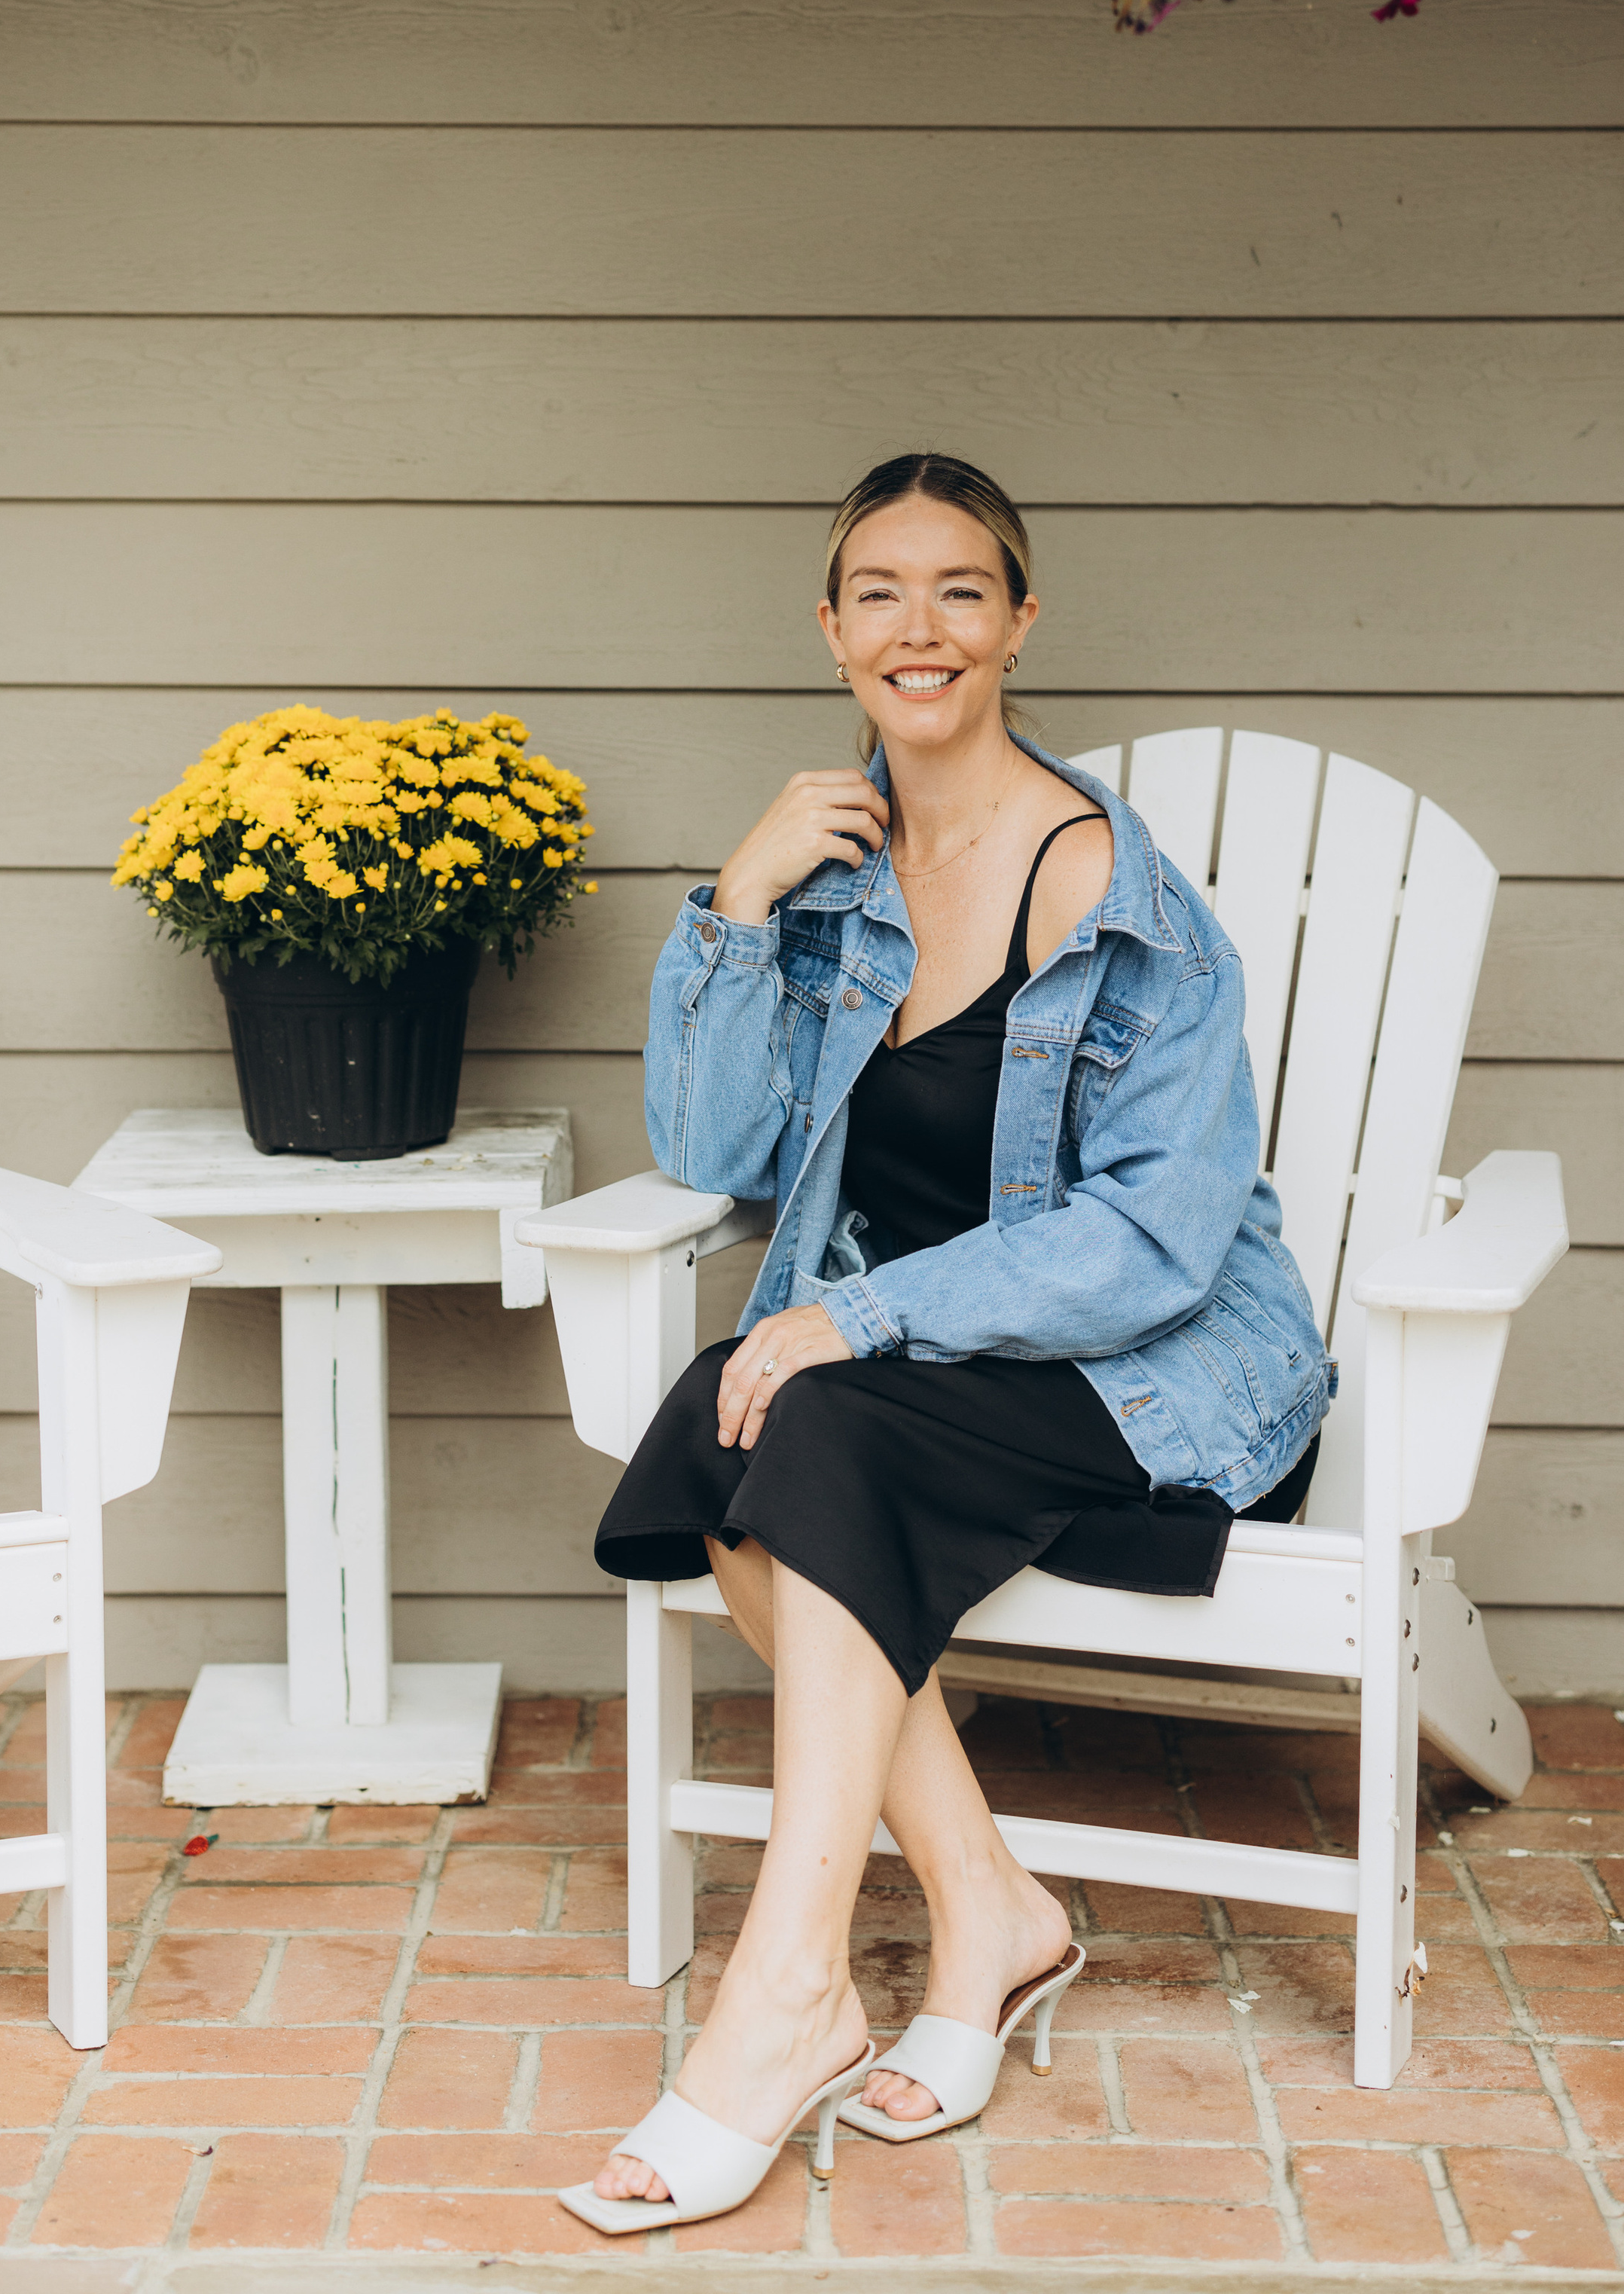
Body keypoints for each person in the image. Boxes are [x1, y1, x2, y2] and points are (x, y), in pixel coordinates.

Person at [557, 451, 1332, 2237]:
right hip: (918, 1374)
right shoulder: (837, 874)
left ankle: (783, 1996)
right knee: (719, 1431)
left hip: (1158, 1373)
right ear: (833, 634)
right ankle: (985, 1909)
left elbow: (1151, 1240)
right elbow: (711, 1149)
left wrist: (862, 1313)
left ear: (1018, 622)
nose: (922, 628)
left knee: (798, 1438)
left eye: (960, 591)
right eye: (882, 594)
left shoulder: (1122, 904)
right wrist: (737, 907)